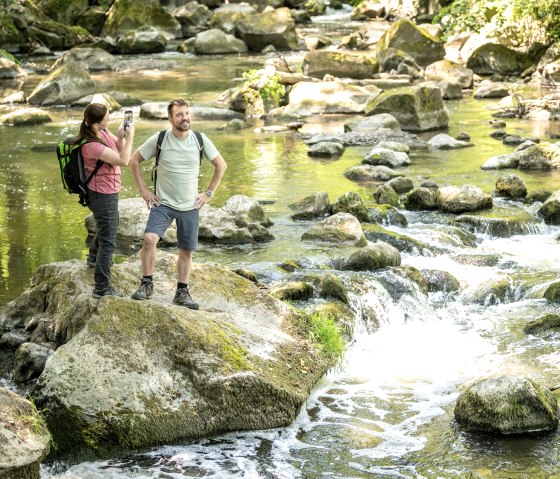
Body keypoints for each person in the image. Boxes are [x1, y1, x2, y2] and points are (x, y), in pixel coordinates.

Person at [129, 99, 227, 309]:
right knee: (149, 239)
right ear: (170, 118)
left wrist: (209, 193)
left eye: (187, 113)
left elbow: (221, 165)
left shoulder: (200, 139)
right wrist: (144, 190)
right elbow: (133, 161)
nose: (185, 118)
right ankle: (147, 284)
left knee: (186, 250)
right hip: (163, 204)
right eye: (180, 114)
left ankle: (182, 292)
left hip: (190, 206)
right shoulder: (161, 139)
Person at [78, 103, 136, 298]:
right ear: (95, 124)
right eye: (107, 118)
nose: (109, 120)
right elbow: (123, 160)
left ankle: (93, 257)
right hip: (101, 194)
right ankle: (101, 287)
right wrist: (132, 137)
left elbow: (118, 149)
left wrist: (121, 136)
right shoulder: (92, 144)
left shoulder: (101, 132)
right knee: (108, 241)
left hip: (105, 192)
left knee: (109, 225)